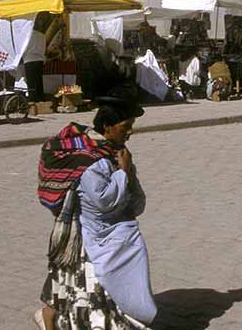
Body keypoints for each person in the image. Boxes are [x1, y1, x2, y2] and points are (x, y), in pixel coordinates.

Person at [36, 100, 156, 329]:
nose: (130, 132)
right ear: (108, 127)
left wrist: (126, 170)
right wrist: (123, 171)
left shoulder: (113, 153)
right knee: (79, 283)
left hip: (102, 231)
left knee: (74, 284)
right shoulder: (92, 161)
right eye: (126, 126)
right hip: (88, 235)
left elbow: (133, 199)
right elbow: (105, 201)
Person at [24, 12, 52, 102]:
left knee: (31, 81)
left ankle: (33, 99)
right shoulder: (42, 35)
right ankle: (41, 97)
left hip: (29, 59)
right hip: (39, 60)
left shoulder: (26, 36)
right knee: (39, 80)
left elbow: (24, 49)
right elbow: (44, 49)